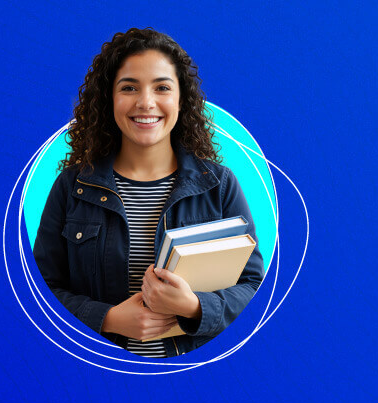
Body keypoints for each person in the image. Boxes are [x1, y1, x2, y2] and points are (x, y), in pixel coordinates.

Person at [33, 28, 263, 358]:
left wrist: (196, 307)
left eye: (162, 87)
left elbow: (254, 287)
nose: (146, 102)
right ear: (108, 98)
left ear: (181, 99)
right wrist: (107, 319)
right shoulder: (72, 187)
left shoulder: (220, 184)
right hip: (96, 372)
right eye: (129, 87)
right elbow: (39, 291)